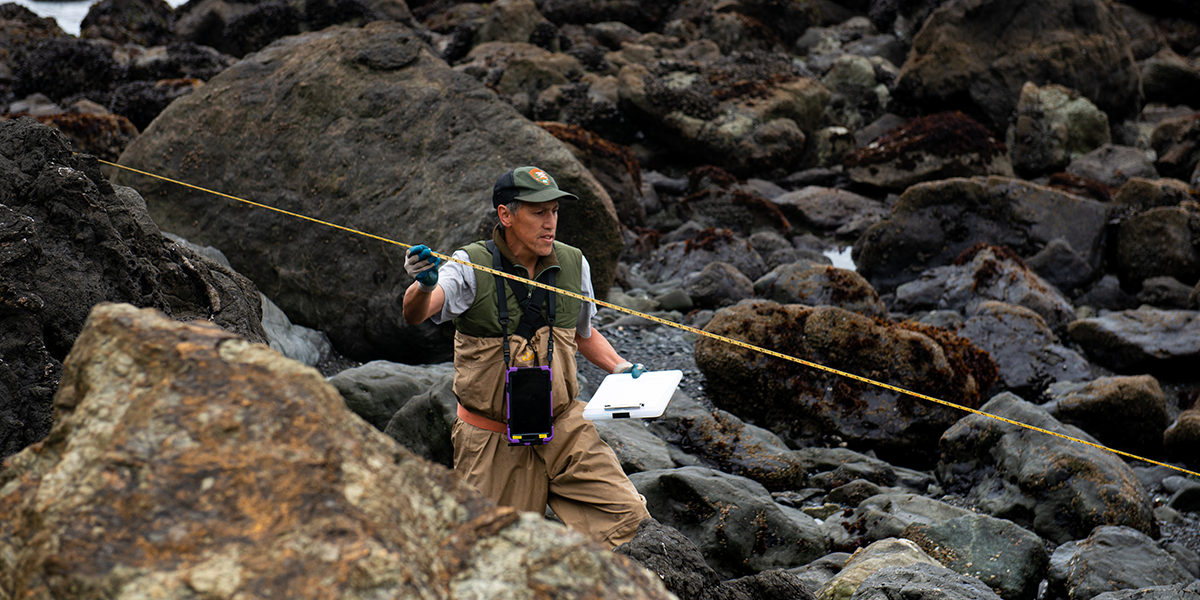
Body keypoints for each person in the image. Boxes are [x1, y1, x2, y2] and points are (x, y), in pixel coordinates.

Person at [401, 166, 650, 548]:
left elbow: (583, 334)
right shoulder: (467, 266)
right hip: (491, 439)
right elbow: (416, 312)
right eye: (538, 212)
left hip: (565, 428)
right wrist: (423, 284)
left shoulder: (574, 264)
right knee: (489, 557)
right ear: (506, 215)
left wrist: (619, 366)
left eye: (554, 212)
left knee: (632, 525)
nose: (550, 223)